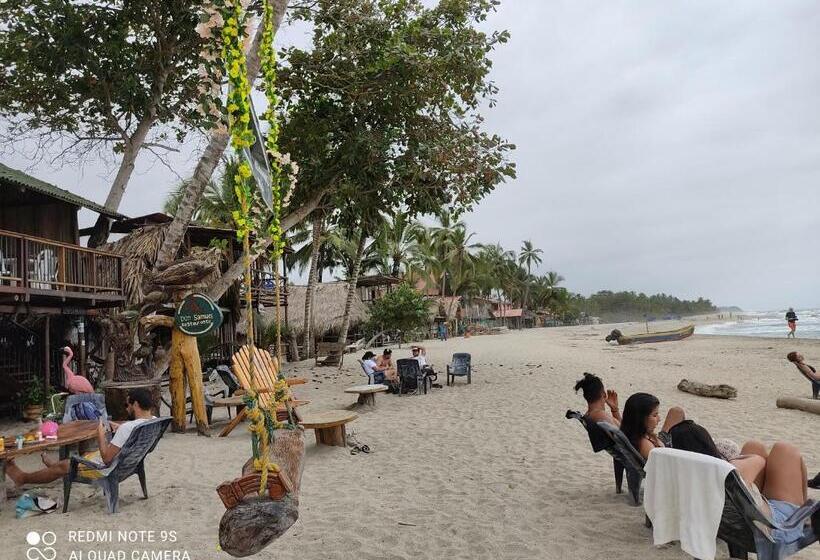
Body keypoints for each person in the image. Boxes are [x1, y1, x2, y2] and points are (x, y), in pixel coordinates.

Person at [669, 420, 818, 544]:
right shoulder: (725, 470)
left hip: (741, 520)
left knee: (754, 446)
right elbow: (758, 460)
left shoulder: (682, 475)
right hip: (776, 526)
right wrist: (732, 461)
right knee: (784, 449)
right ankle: (802, 511)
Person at [6, 388, 156, 487]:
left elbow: (106, 459)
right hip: (129, 464)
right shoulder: (154, 422)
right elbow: (143, 444)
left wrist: (100, 434)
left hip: (109, 469)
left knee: (64, 466)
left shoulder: (127, 428)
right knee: (79, 457)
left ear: (136, 404)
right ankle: (53, 466)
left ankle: (22, 478)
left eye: (127, 405)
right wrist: (120, 430)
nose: (126, 408)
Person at [619, 392, 686, 460]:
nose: (659, 419)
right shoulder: (646, 446)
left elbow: (618, 423)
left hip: (662, 443)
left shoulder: (630, 432)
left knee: (676, 412)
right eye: (654, 415)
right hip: (668, 451)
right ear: (641, 419)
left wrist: (615, 410)